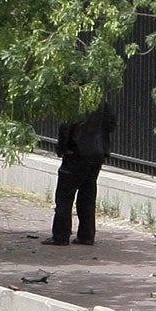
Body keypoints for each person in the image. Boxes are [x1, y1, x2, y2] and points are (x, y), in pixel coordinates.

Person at [48, 102, 115, 246]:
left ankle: (61, 235)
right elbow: (111, 124)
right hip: (97, 153)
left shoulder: (76, 101)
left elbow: (66, 127)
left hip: (77, 153)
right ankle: (86, 235)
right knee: (87, 195)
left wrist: (62, 149)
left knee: (64, 196)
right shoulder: (102, 102)